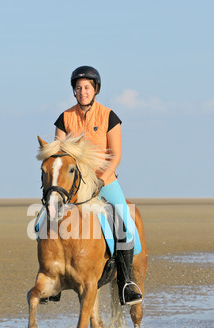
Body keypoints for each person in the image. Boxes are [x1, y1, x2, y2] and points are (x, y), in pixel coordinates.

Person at [54, 66, 142, 306]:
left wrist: (101, 180)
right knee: (48, 220)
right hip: (74, 186)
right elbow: (58, 154)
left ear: (95, 90)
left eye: (87, 88)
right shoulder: (64, 118)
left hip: (105, 181)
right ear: (73, 91)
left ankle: (125, 283)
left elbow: (115, 156)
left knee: (124, 222)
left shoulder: (109, 116)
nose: (82, 92)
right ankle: (54, 281)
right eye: (78, 88)